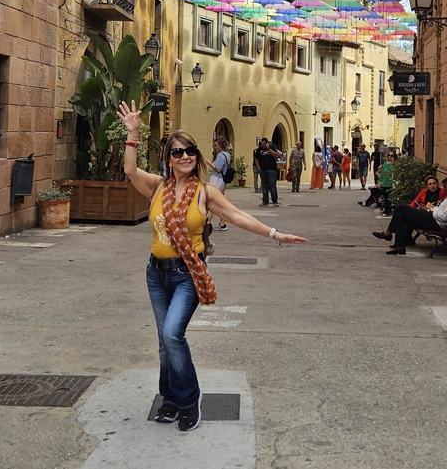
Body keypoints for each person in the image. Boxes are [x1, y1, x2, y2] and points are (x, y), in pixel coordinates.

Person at [117, 100, 307, 432]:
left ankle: (189, 400)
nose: (185, 156)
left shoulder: (205, 192)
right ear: (169, 158)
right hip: (156, 273)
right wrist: (132, 133)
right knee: (164, 341)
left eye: (190, 150)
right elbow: (130, 170)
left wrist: (275, 234)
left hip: (188, 274)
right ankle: (170, 399)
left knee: (172, 334)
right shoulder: (158, 187)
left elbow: (237, 216)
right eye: (177, 152)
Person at [372, 191, 447, 255]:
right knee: (399, 216)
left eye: (446, 187)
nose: (444, 189)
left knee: (401, 207)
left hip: (434, 222)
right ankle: (400, 247)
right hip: (432, 218)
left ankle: (388, 233)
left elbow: (444, 216)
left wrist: (430, 210)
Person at [206, 137, 230, 231]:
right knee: (220, 202)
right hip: (222, 180)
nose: (215, 147)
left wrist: (209, 163)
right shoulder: (227, 154)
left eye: (216, 145)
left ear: (220, 145)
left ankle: (208, 222)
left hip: (217, 179)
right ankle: (222, 223)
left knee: (212, 201)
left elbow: (218, 169)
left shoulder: (220, 155)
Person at [255, 137, 282, 205]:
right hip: (263, 170)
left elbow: (276, 155)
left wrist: (269, 149)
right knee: (264, 186)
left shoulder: (272, 147)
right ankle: (265, 201)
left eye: (264, 144)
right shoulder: (259, 149)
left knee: (272, 184)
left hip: (272, 169)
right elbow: (256, 159)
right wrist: (258, 167)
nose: (263, 145)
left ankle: (275, 201)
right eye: (262, 144)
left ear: (267, 143)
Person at [376, 151, 396, 216]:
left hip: (391, 183)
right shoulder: (385, 164)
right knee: (386, 198)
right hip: (385, 183)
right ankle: (387, 211)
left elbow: (395, 173)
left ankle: (392, 211)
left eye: (392, 155)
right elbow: (382, 174)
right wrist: (379, 182)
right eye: (389, 155)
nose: (390, 157)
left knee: (392, 198)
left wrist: (393, 163)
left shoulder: (395, 164)